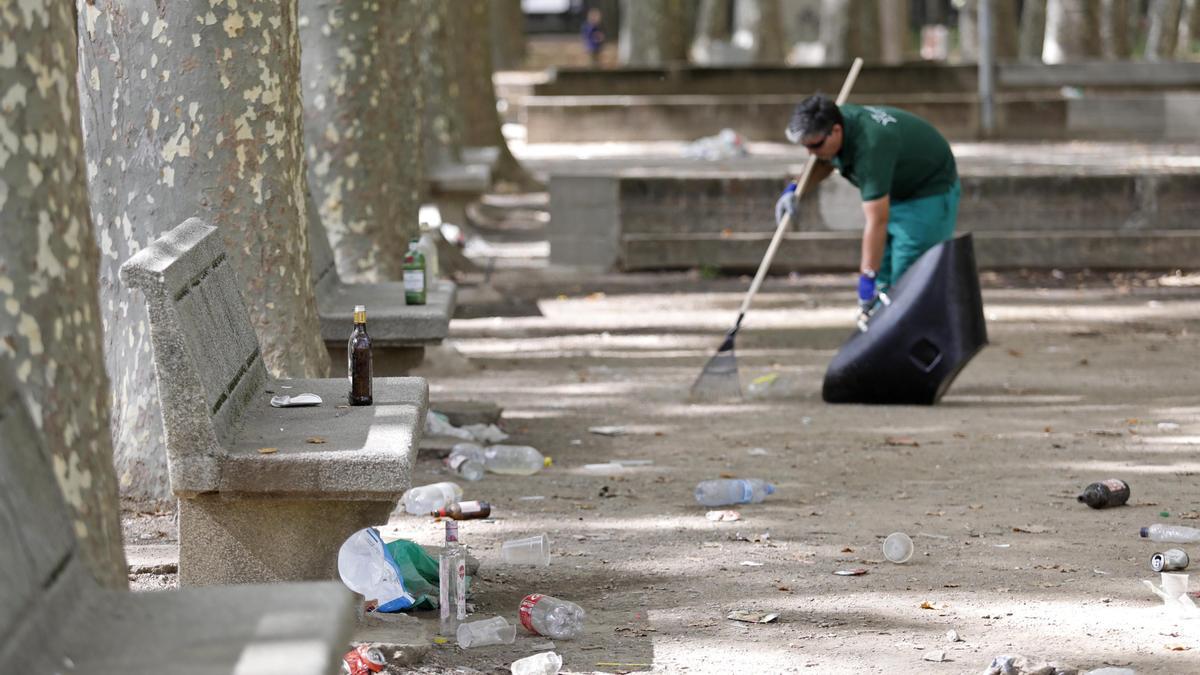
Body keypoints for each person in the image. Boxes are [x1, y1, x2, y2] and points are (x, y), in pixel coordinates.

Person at [775, 95, 960, 316]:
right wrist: (795, 189)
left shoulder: (871, 147)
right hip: (894, 186)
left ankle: (914, 326)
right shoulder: (835, 123)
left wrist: (866, 279)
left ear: (836, 131)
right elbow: (824, 162)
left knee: (909, 275)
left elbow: (877, 220)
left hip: (927, 190)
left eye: (815, 145)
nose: (810, 153)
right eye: (805, 146)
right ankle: (882, 320)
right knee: (884, 273)